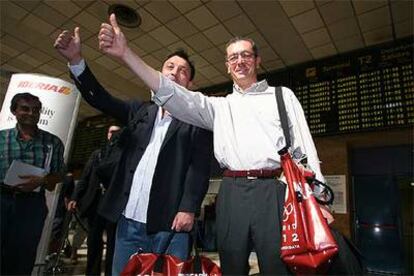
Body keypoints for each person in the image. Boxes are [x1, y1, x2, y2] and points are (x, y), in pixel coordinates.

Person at [97, 14, 327, 275]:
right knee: (231, 266)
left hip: (274, 191)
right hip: (231, 193)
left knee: (278, 266)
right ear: (227, 66)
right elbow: (175, 95)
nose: (240, 61)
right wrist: (126, 54)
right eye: (233, 57)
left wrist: (318, 201)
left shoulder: (282, 96)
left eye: (246, 55)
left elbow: (305, 148)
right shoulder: (219, 107)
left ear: (257, 60)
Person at [54, 26, 213, 275]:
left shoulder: (196, 121)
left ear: (190, 84)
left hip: (170, 226)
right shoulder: (140, 112)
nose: (175, 72)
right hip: (128, 224)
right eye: (170, 67)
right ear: (159, 74)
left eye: (183, 71)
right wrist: (76, 60)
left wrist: (188, 208)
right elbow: (100, 99)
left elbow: (199, 168)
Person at [0, 93, 65, 275]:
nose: (31, 113)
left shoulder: (53, 142)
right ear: (14, 111)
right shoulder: (1, 138)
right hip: (2, 200)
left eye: (36, 110)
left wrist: (43, 180)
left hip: (32, 205)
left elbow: (59, 174)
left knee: (23, 256)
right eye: (25, 109)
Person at [67, 125, 120, 276]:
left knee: (113, 244)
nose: (113, 134)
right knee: (94, 241)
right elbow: (85, 177)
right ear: (107, 134)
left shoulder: (124, 154)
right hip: (95, 204)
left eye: (117, 132)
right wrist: (75, 198)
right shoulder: (97, 154)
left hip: (113, 205)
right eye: (111, 132)